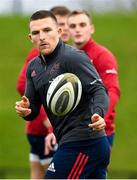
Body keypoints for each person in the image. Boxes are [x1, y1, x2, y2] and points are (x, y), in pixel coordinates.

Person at [15, 10, 110, 179]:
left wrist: (98, 113)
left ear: (59, 32)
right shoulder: (33, 67)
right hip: (72, 141)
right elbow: (33, 108)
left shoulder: (73, 57)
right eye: (36, 33)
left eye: (47, 30)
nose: (42, 36)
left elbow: (99, 89)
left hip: (84, 142)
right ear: (31, 38)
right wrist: (26, 111)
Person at [16, 6, 71, 179]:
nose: (66, 28)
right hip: (43, 130)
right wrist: (47, 117)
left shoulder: (65, 54)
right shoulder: (39, 55)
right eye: (60, 23)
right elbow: (22, 85)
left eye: (66, 24)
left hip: (46, 130)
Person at [67, 10, 120, 148]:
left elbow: (112, 91)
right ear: (67, 30)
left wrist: (100, 118)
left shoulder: (103, 56)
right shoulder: (66, 57)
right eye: (73, 26)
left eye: (82, 25)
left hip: (98, 131)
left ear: (91, 28)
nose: (77, 29)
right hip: (71, 132)